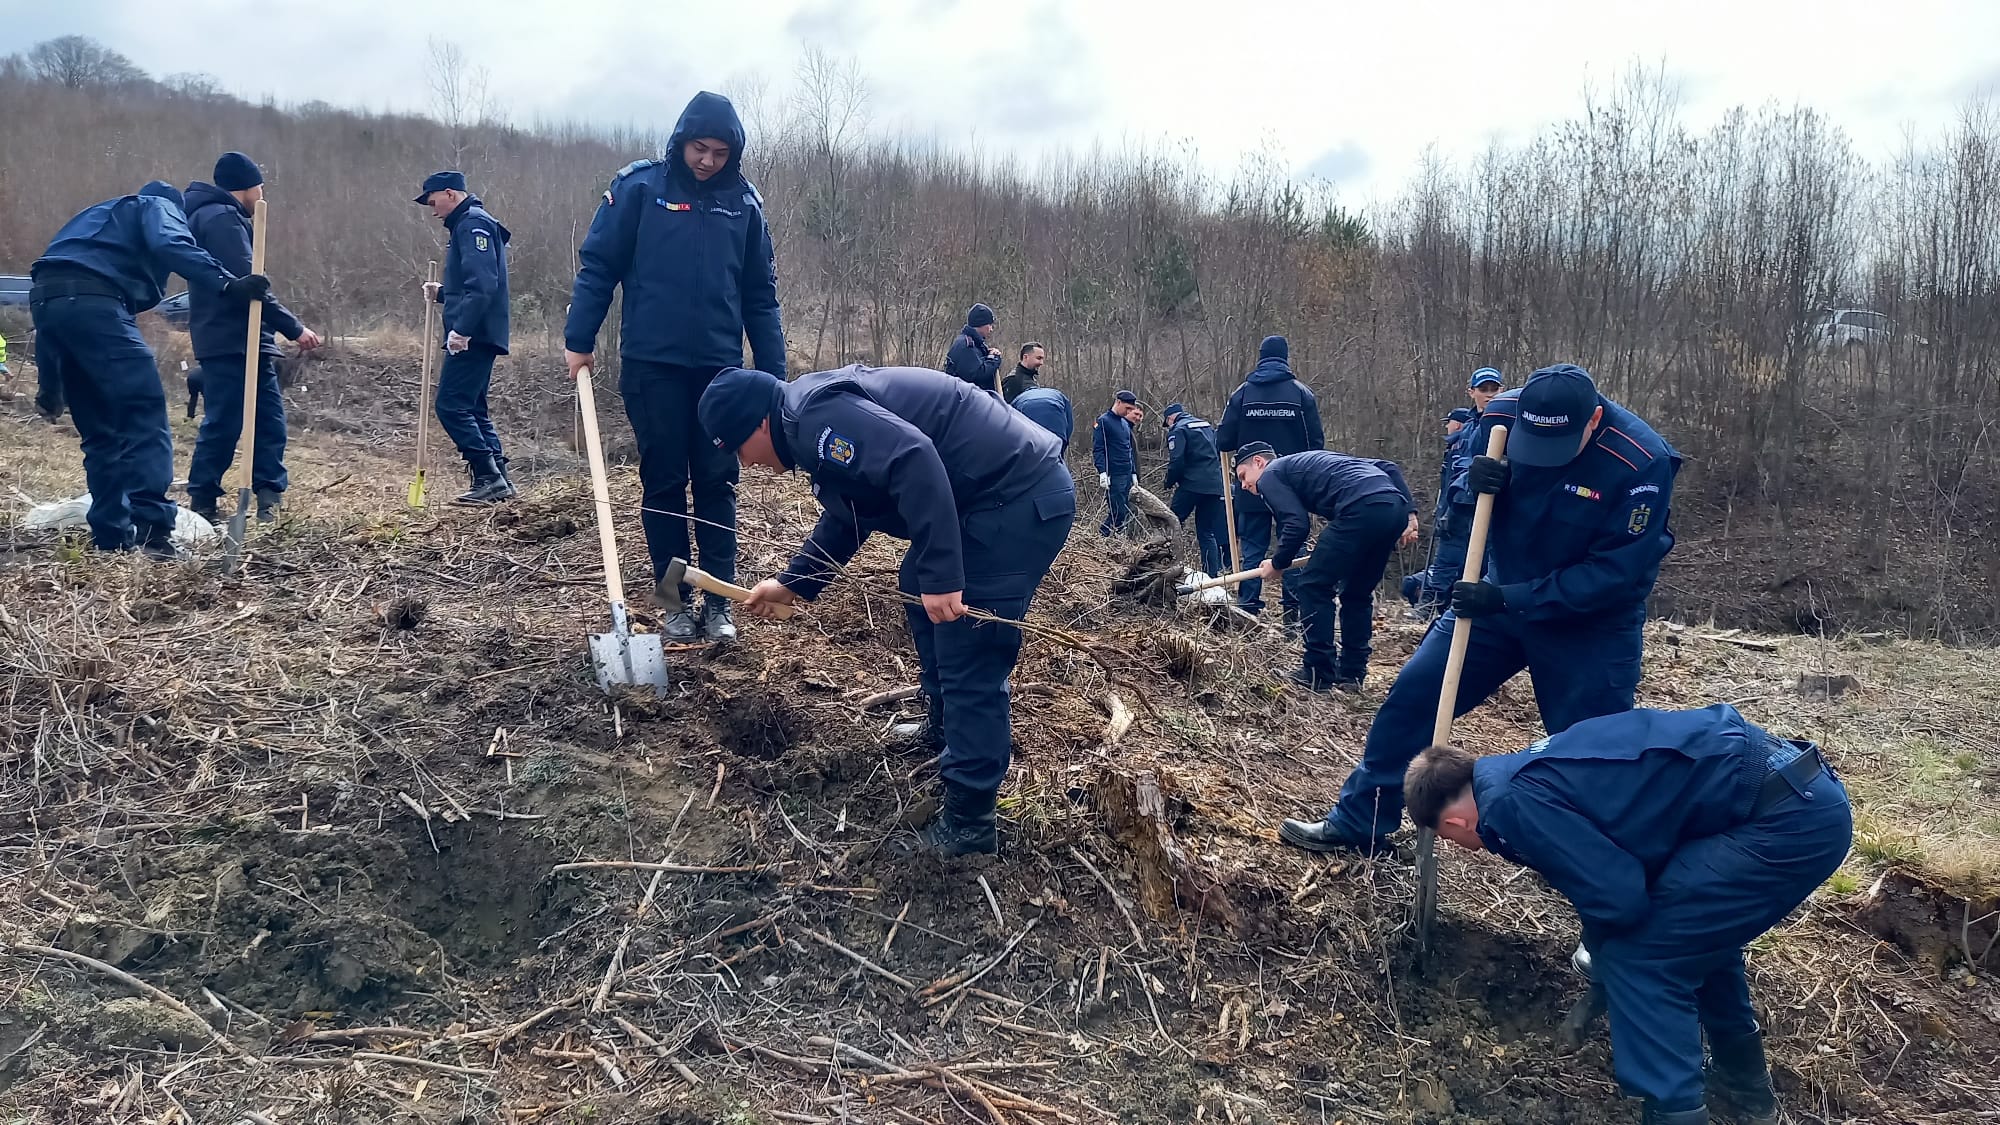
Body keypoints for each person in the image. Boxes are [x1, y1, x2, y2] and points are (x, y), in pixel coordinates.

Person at [1278, 363, 1681, 853]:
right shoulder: (1500, 416)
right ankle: (1362, 820)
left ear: (1593, 420)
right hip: (1497, 600)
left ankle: (1596, 862)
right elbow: (1462, 491)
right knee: (1413, 700)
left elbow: (1615, 573)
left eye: (1557, 447)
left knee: (1594, 750)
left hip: (1589, 623)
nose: (1543, 457)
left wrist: (1510, 597)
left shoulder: (1641, 462)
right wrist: (1476, 482)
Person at [1405, 704, 1850, 1125]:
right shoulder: (1526, 772)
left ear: (1454, 824)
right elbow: (1613, 876)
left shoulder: (1507, 804)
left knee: (1644, 955)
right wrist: (1600, 971)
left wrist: (1606, 972)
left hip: (1784, 820)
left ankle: (1675, 1109)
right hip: (1795, 790)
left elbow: (1618, 899)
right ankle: (1742, 1085)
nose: (1462, 847)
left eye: (1446, 838)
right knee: (1690, 931)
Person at [698, 364, 1076, 856]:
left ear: (759, 423)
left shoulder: (815, 419)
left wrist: (946, 577)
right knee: (916, 584)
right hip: (989, 497)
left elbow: (913, 458)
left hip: (1019, 496)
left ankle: (970, 821)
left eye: (738, 449)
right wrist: (794, 583)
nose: (746, 464)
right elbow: (852, 512)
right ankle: (945, 726)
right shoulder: (807, 420)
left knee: (968, 645)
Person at [565, 90, 785, 643]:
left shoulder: (744, 205)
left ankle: (719, 604)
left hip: (719, 375)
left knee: (717, 481)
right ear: (681, 142)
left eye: (719, 153)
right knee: (663, 481)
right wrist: (579, 338)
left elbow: (760, 297)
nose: (707, 161)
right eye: (698, 148)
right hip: (652, 366)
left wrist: (772, 374)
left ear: (733, 154)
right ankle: (673, 603)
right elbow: (599, 266)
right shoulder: (640, 189)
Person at [30, 181, 268, 559]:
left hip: (49, 305)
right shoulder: (156, 204)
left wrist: (50, 384)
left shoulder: (95, 219)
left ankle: (110, 537)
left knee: (101, 433)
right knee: (144, 416)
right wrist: (227, 284)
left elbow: (55, 289)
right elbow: (171, 243)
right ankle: (154, 534)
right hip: (98, 306)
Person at [183, 152, 324, 524]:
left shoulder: (213, 217)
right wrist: (294, 328)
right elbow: (251, 286)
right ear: (245, 187)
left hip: (237, 338)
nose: (262, 193)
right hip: (233, 338)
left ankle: (262, 499)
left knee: (260, 422)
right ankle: (210, 501)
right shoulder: (221, 219)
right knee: (232, 422)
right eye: (259, 186)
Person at [1235, 442, 1418, 691]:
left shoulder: (1271, 474)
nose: (1244, 485)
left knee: (1313, 586)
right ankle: (1352, 675)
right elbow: (1388, 467)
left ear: (1259, 462)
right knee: (1357, 593)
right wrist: (1410, 514)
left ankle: (1318, 672)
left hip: (1358, 508)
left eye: (1243, 476)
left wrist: (1277, 563)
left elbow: (1297, 524)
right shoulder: (1319, 461)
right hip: (1392, 509)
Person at [415, 169, 514, 506]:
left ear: (450, 194)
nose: (432, 210)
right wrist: (443, 293)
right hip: (480, 330)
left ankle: (488, 477)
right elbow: (472, 285)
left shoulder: (472, 224)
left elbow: (484, 285)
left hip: (475, 333)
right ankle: (500, 477)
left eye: (433, 202)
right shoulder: (469, 224)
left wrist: (462, 330)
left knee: (451, 406)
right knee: (473, 407)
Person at [1217, 334, 1324, 622]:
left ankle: (1247, 610)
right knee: (1294, 544)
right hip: (1293, 486)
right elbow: (1316, 444)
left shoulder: (1242, 394)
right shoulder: (1301, 395)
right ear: (1285, 357)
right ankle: (1293, 617)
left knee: (1253, 547)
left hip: (1250, 485)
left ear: (1261, 357)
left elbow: (1223, 440)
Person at [1402, 405, 1479, 618]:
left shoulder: (1466, 444)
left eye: (1449, 423)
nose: (1447, 427)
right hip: (1450, 508)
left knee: (1448, 561)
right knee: (1446, 562)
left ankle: (1429, 607)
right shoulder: (1454, 446)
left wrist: (1450, 511)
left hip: (1461, 511)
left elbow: (1459, 482)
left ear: (1458, 423)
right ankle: (1434, 607)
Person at [1160, 402, 1227, 577]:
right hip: (1214, 485)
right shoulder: (1206, 426)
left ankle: (1166, 566)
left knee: (1170, 523)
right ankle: (1211, 577)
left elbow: (1177, 461)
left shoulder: (1178, 430)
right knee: (1207, 532)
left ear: (1170, 419)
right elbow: (1218, 452)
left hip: (1191, 485)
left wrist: (1169, 482)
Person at [1091, 390, 1142, 536]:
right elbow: (1098, 449)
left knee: (1125, 511)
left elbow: (1128, 450)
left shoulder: (1125, 424)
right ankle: (1102, 536)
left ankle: (1114, 539)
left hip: (1127, 474)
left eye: (1131, 409)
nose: (1129, 412)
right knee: (1117, 511)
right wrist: (1102, 472)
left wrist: (1133, 473)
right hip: (1114, 474)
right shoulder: (1104, 421)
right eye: (1127, 408)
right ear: (1118, 402)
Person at [944, 303, 1001, 392]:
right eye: (989, 325)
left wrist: (989, 355)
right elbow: (978, 374)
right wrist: (994, 359)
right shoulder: (966, 346)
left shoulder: (972, 343)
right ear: (981, 324)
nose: (991, 329)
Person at [1011, 385, 1074, 451]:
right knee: (1056, 452)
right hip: (1057, 428)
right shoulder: (1057, 394)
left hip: (1031, 435)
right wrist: (1065, 441)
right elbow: (1069, 423)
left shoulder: (1017, 400)